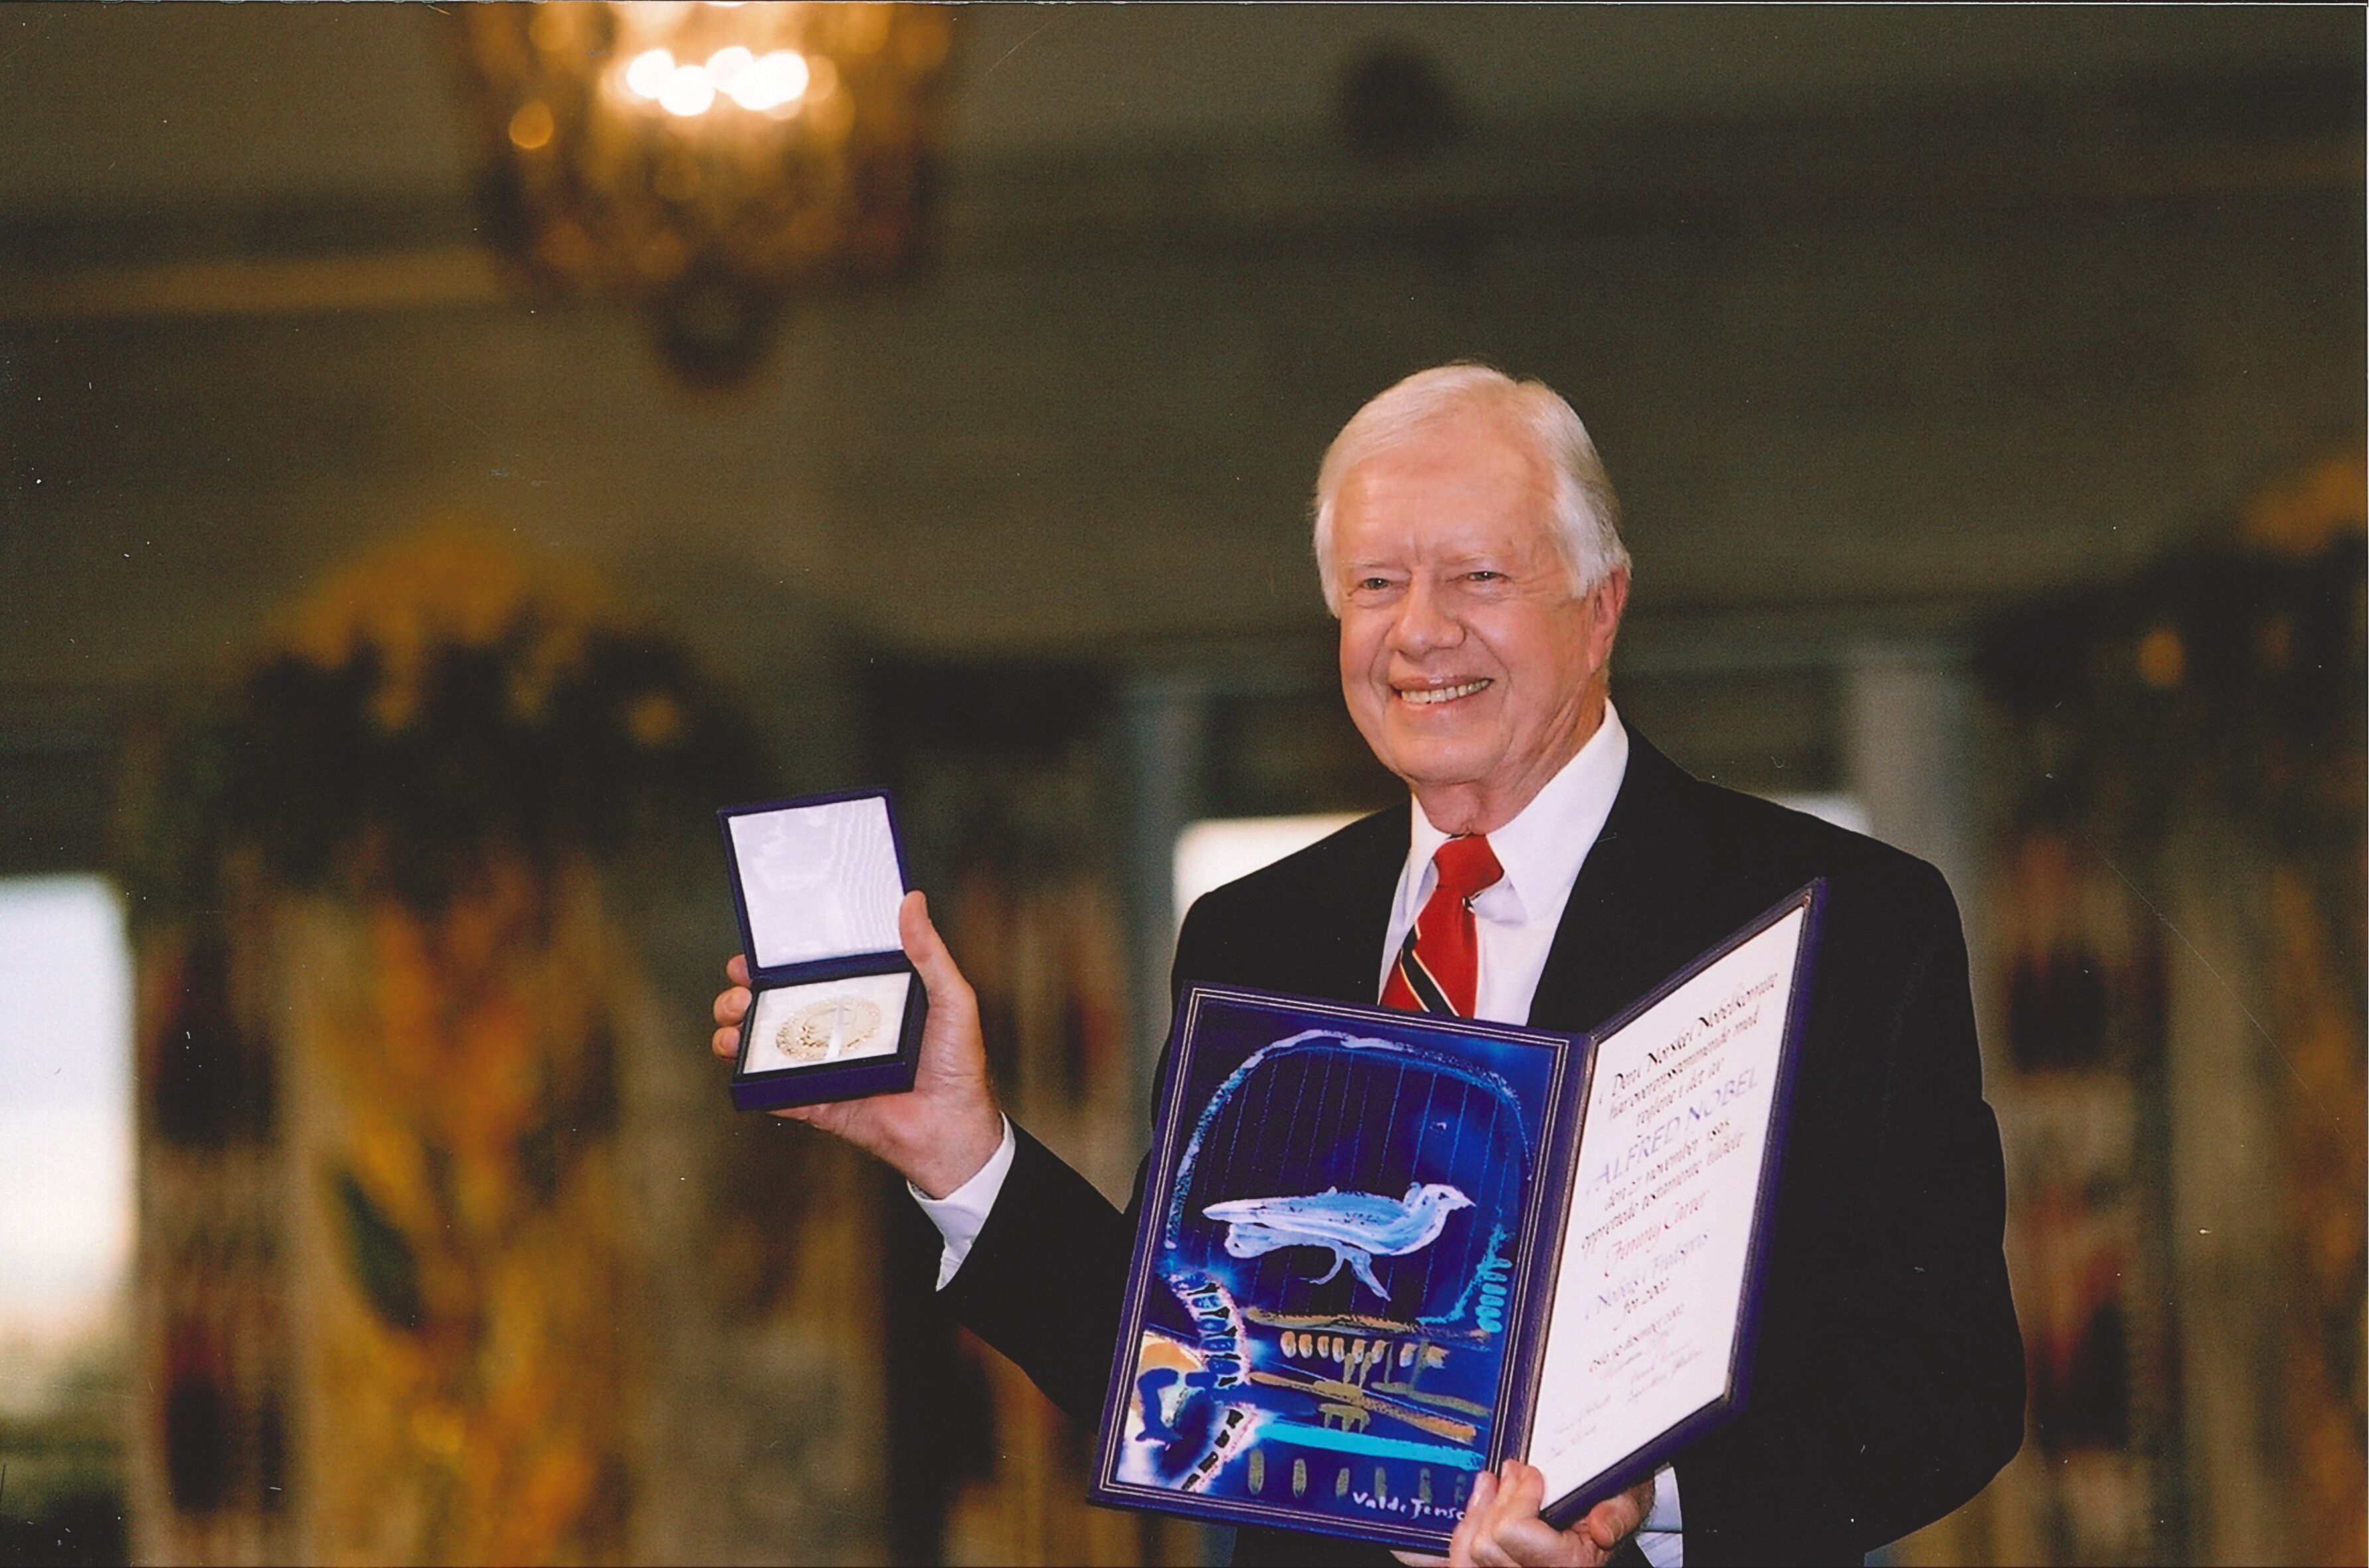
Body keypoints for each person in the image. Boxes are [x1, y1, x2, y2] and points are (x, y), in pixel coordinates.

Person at [713, 365, 2024, 1567]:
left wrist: (1646, 1489)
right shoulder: (1253, 932)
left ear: (1600, 604)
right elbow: (1198, 1363)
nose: (1420, 633)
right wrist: (960, 1148)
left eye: (1478, 579)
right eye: (1376, 584)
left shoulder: (1841, 917)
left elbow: (1948, 1388)